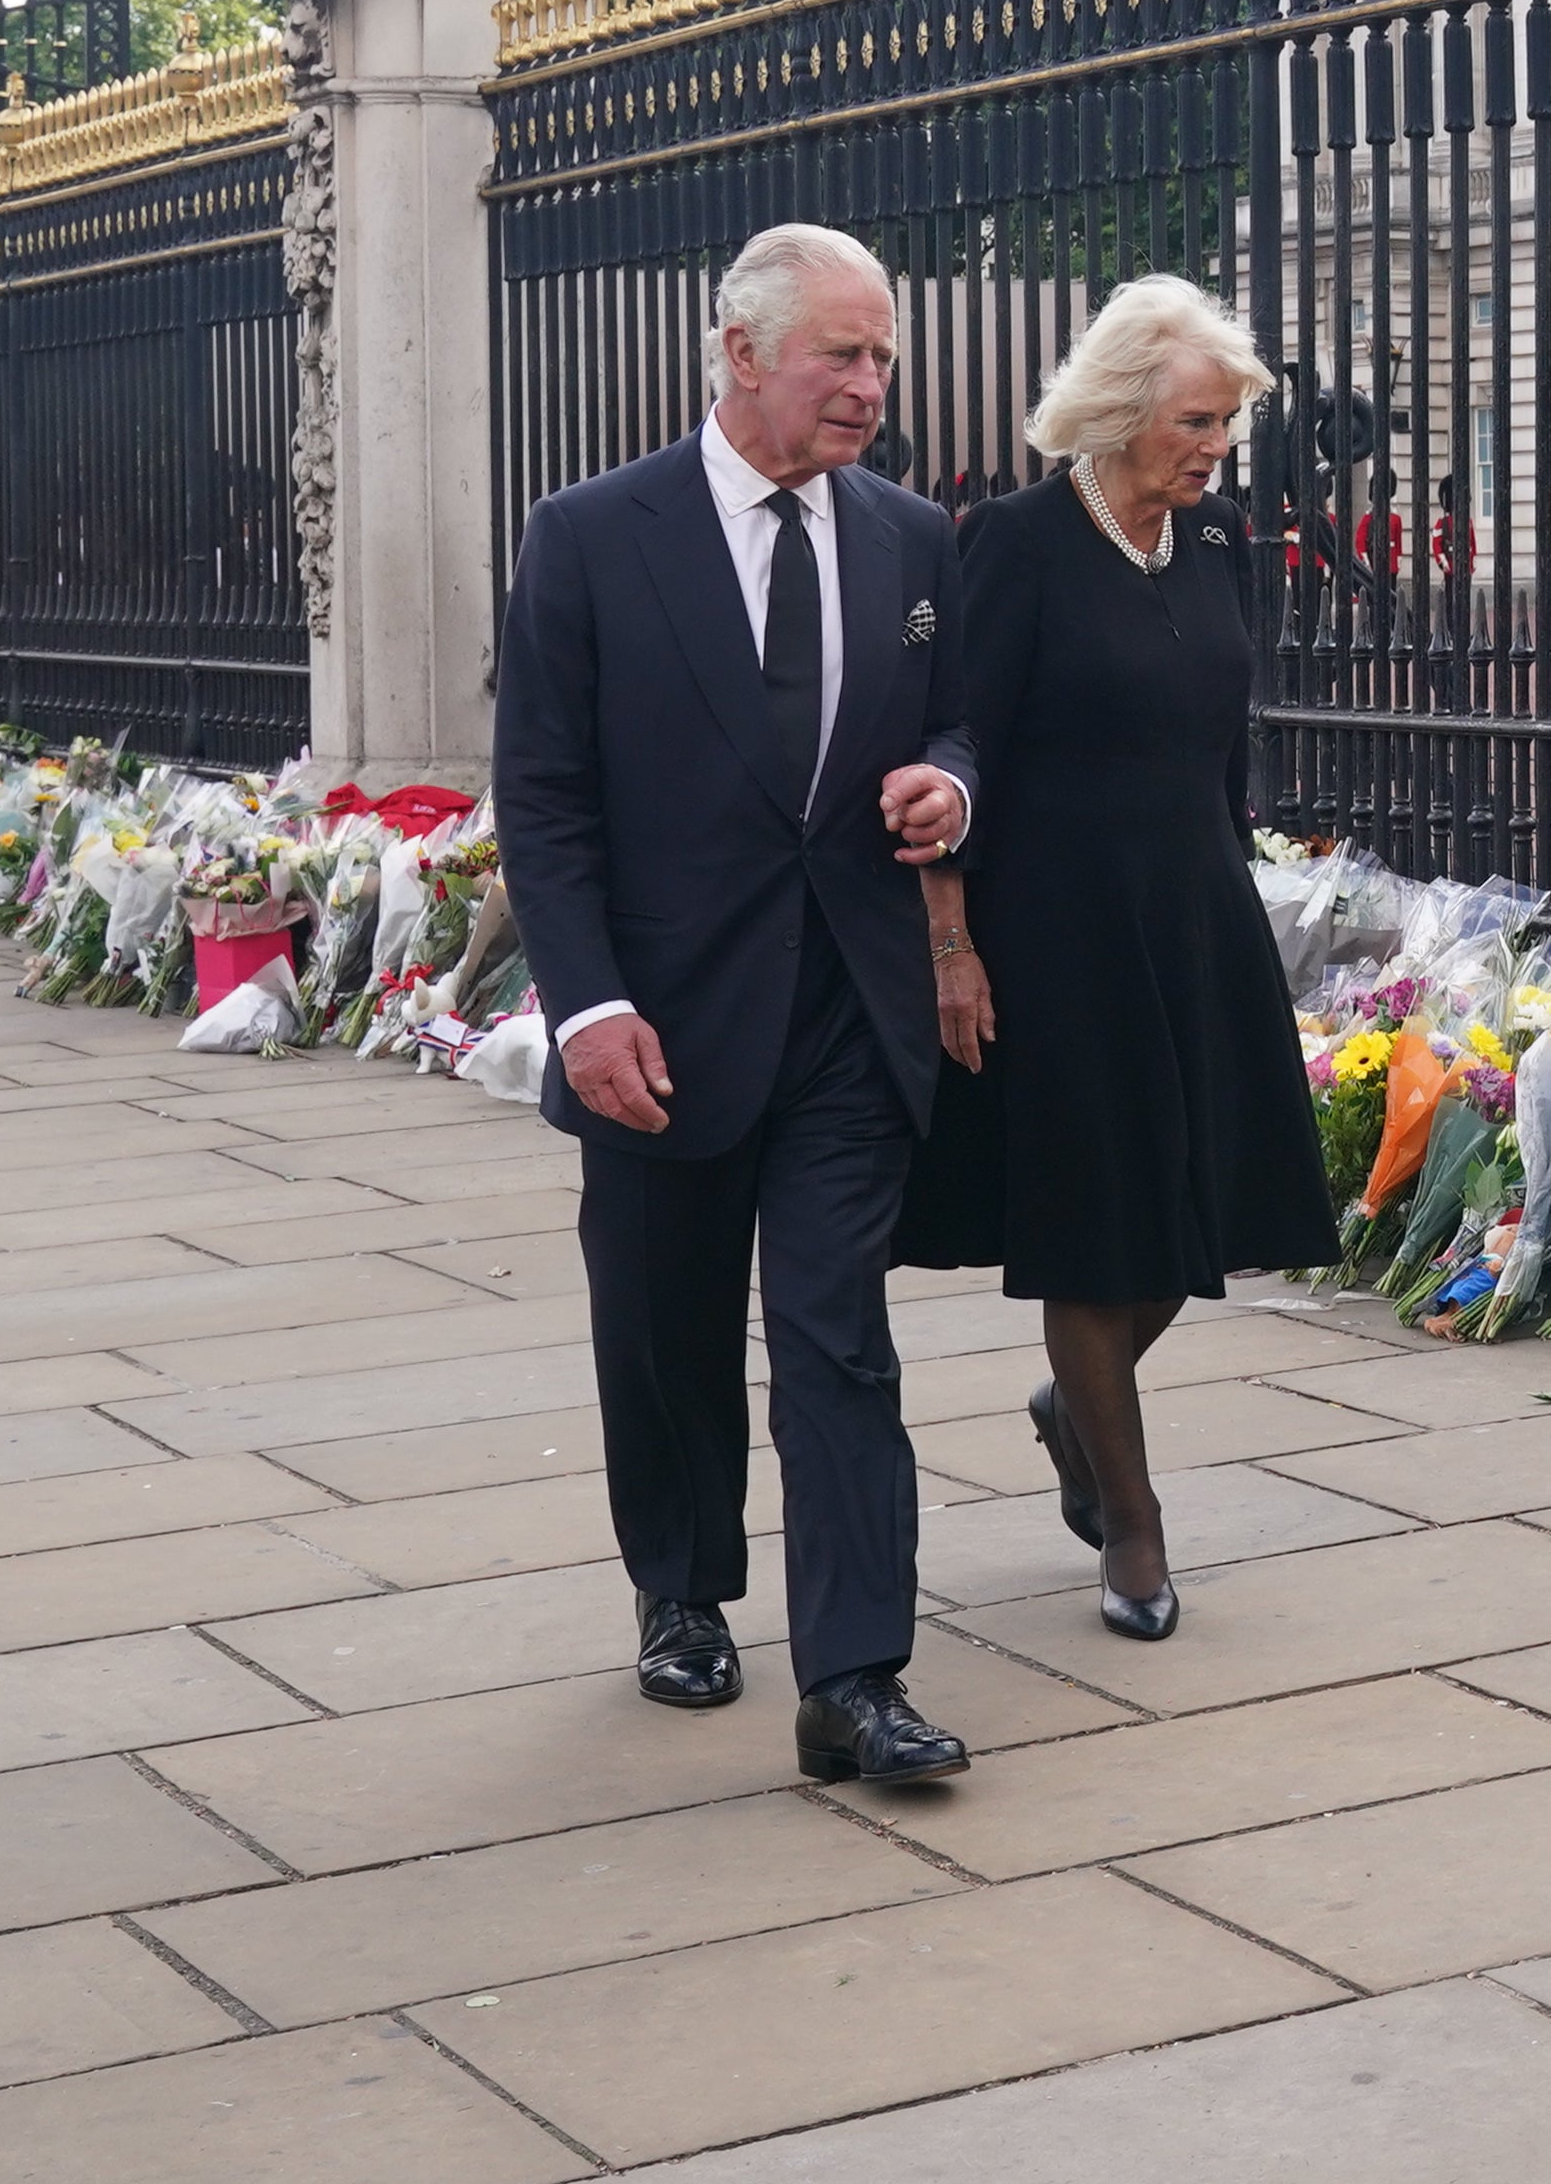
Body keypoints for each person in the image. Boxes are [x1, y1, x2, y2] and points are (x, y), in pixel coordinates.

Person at [494, 222, 982, 1787]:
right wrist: (587, 1007)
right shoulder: (590, 535)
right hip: (664, 1017)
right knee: (667, 1323)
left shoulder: (912, 538)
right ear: (741, 352)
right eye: (841, 353)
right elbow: (546, 800)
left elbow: (964, 718)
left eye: (883, 355)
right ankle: (683, 1587)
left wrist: (949, 788)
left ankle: (855, 1673)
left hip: (848, 1008)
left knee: (837, 1332)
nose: (869, 385)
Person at [898, 277, 1336, 1638]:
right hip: (1056, 933)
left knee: (1208, 1204)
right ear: (1122, 409)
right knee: (1098, 1233)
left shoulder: (1218, 546)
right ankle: (1133, 1528)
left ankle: (1069, 1404)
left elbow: (1223, 746)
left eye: (1227, 425)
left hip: (1195, 915)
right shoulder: (1015, 546)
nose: (1216, 448)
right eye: (1199, 421)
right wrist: (952, 946)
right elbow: (956, 747)